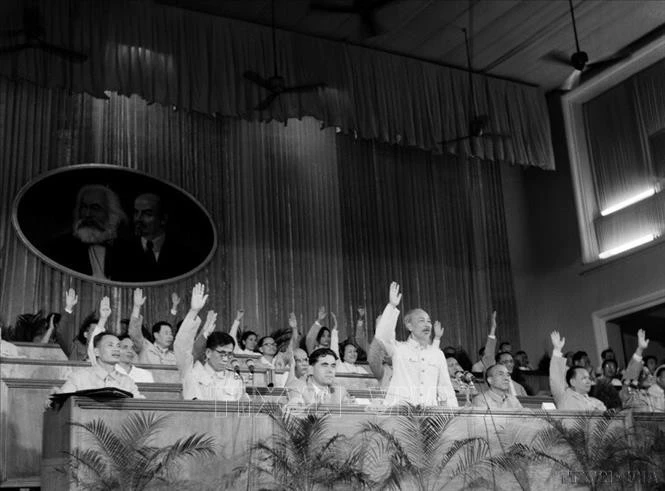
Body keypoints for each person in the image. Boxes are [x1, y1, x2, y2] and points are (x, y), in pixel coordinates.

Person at [374, 282, 457, 407]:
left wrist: (452, 416)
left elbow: (445, 388)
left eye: (429, 321)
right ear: (409, 325)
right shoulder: (399, 349)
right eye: (421, 321)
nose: (427, 325)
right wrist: (391, 306)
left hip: (429, 415)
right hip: (400, 414)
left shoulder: (437, 354)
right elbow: (382, 336)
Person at [58, 297, 141, 397]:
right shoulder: (79, 374)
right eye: (110, 345)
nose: (115, 349)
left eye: (118, 346)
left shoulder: (127, 382)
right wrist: (103, 319)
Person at [174, 283, 245, 401]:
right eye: (222, 353)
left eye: (229, 354)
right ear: (208, 352)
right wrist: (194, 311)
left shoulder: (235, 378)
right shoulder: (191, 371)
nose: (226, 359)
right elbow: (181, 345)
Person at [47, 185, 130, 280]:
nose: (87, 214)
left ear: (111, 214)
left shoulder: (128, 252)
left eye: (95, 208)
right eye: (84, 207)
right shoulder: (58, 248)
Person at [129, 192, 197, 281]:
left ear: (163, 219)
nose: (138, 218)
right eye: (136, 213)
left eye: (147, 214)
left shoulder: (183, 254)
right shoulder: (121, 252)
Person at [549, 331, 606, 411]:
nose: (588, 381)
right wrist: (557, 350)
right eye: (584, 378)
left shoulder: (596, 402)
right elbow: (556, 379)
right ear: (572, 382)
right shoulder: (564, 396)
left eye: (589, 378)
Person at [286, 348, 353, 405]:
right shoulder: (298, 387)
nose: (330, 370)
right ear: (311, 369)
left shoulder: (340, 391)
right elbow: (296, 416)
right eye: (324, 365)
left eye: (333, 366)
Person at [128, 288, 176, 365]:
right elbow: (134, 332)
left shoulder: (174, 356)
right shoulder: (145, 347)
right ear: (156, 335)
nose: (170, 336)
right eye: (166, 333)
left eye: (171, 334)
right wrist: (136, 307)